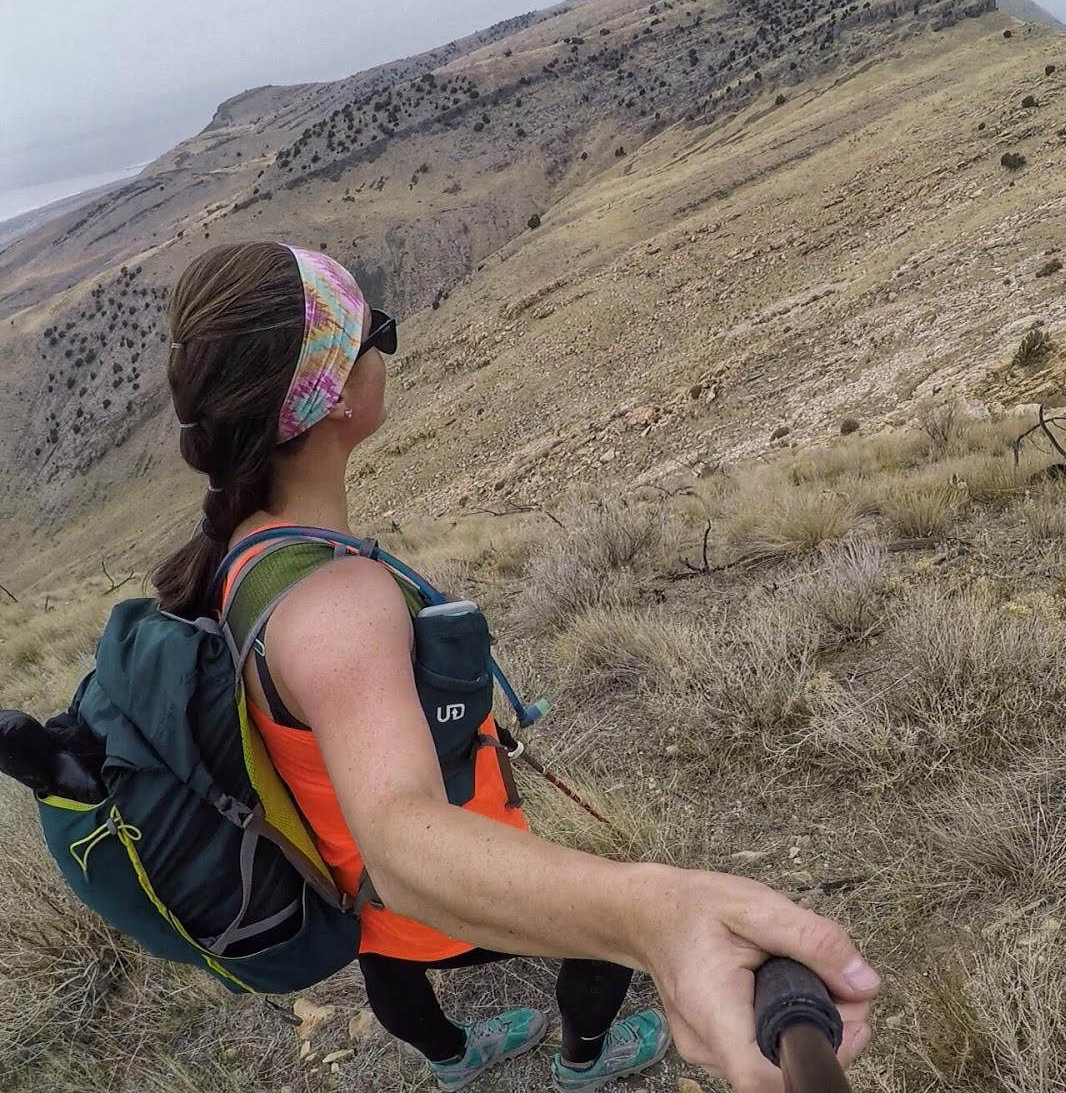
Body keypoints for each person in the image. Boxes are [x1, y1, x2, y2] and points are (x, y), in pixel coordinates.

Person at [151, 242, 878, 1092]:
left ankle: (455, 1063)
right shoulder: (338, 604)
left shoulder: (241, 557)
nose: (385, 346)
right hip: (423, 891)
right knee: (599, 950)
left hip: (347, 891)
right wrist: (655, 915)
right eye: (373, 332)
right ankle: (583, 1061)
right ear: (337, 395)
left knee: (388, 968)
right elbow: (401, 840)